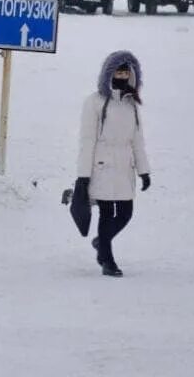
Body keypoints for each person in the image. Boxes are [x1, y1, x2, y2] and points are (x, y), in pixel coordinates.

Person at [76, 50, 151, 277]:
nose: (122, 75)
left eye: (125, 72)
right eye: (118, 71)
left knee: (126, 213)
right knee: (107, 214)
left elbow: (137, 140)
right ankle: (107, 259)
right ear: (108, 74)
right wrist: (83, 176)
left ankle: (101, 242)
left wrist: (144, 171)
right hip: (102, 165)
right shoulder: (95, 103)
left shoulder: (131, 105)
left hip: (124, 167)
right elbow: (87, 140)